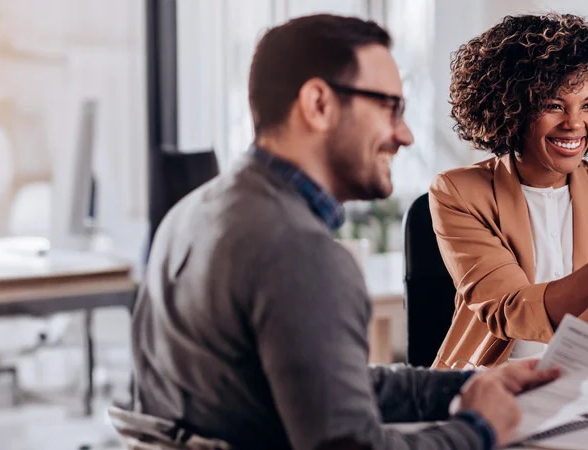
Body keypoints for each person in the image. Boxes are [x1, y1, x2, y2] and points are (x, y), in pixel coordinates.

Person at [127, 15, 557, 450]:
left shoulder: (192, 212)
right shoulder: (298, 253)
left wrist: (468, 384)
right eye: (390, 108)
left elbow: (324, 386)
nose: (405, 135)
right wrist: (478, 429)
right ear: (318, 104)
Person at [432, 13, 588, 369]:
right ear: (511, 108)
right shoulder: (459, 192)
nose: (575, 124)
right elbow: (510, 309)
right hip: (488, 386)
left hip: (587, 390)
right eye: (553, 105)